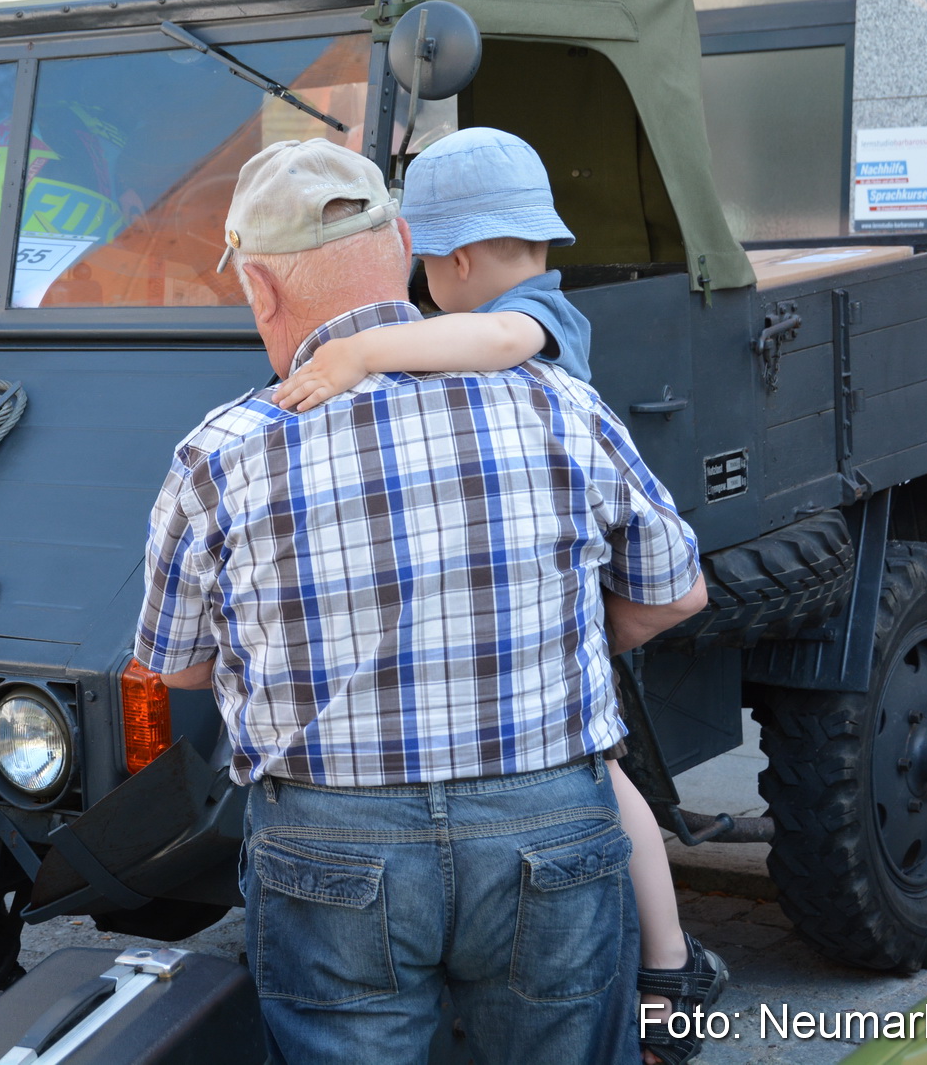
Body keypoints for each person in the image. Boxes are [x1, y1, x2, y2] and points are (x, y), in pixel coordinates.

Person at [135, 138, 708, 1064]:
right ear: (401, 241)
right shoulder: (558, 400)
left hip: (330, 848)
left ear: (260, 288)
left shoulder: (221, 452)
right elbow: (675, 592)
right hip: (549, 826)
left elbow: (177, 665)